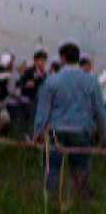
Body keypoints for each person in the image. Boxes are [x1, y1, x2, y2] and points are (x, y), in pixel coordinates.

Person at [34, 42, 106, 199]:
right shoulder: (91, 81)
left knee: (52, 167)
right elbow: (100, 111)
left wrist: (38, 132)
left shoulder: (52, 81)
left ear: (62, 58)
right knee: (80, 166)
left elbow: (43, 110)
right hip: (81, 130)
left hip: (55, 130)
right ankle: (82, 198)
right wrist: (103, 135)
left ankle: (51, 199)